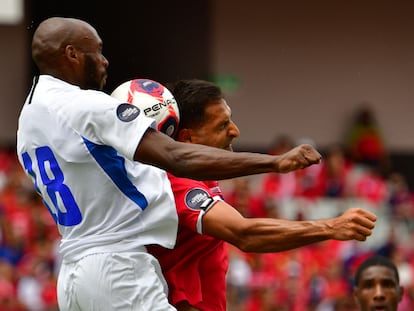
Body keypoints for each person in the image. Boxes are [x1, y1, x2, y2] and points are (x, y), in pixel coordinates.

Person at [16, 17, 326, 311]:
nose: (105, 60)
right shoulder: (87, 106)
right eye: (97, 50)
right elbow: (178, 157)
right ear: (71, 54)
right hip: (117, 265)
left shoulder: (27, 122)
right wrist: (274, 163)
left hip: (72, 273)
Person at [147, 79, 378, 311]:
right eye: (222, 125)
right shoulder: (176, 184)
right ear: (188, 139)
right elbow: (245, 234)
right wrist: (331, 227)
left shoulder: (202, 178)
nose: (235, 131)